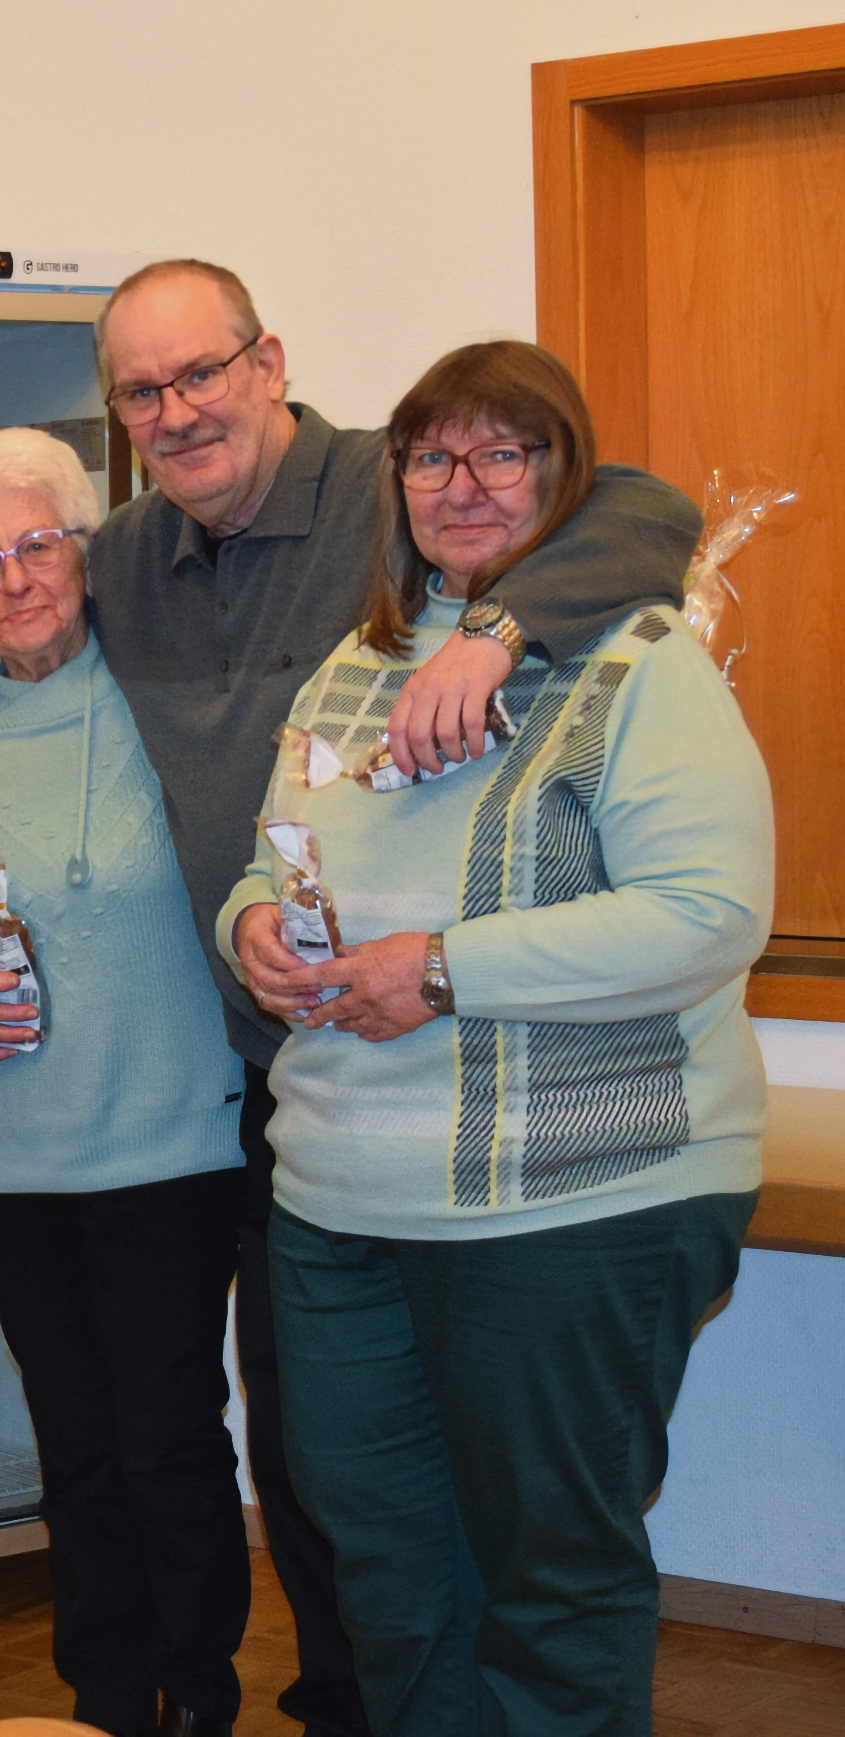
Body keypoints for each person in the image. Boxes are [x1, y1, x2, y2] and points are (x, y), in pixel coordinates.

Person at [0, 261, 698, 1737]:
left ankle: (360, 1708)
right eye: (144, 390)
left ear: (269, 362)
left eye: (202, 373)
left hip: (402, 1065)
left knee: (349, 1459)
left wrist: (499, 628)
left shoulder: (395, 486)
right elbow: (15, 585)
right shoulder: (125, 550)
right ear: (121, 418)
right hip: (242, 1057)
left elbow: (640, 514)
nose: (180, 410)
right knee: (314, 1445)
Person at [215, 341, 769, 1737]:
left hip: (575, 1204)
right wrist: (251, 933)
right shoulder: (357, 662)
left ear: (564, 476)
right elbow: (267, 861)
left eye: (500, 454)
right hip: (340, 1206)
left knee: (547, 1583)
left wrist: (445, 970)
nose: (460, 485)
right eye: (430, 456)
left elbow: (704, 914)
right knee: (388, 1576)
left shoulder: (644, 664)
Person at [0, 429, 250, 1737]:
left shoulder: (173, 696)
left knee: (168, 1432)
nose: (13, 579)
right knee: (77, 1442)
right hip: (12, 1148)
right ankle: (105, 1695)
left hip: (171, 1132)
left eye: (35, 545)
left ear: (87, 550)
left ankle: (201, 1691)